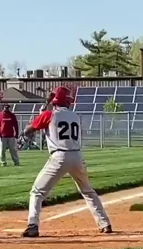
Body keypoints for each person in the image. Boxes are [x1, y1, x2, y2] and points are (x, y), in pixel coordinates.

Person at [20, 86, 112, 238]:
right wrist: (45, 111)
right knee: (88, 191)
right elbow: (52, 119)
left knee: (37, 192)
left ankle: (32, 225)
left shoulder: (49, 114)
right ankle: (104, 223)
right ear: (67, 102)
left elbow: (28, 130)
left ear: (54, 101)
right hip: (77, 156)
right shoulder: (74, 116)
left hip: (59, 156)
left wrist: (43, 111)